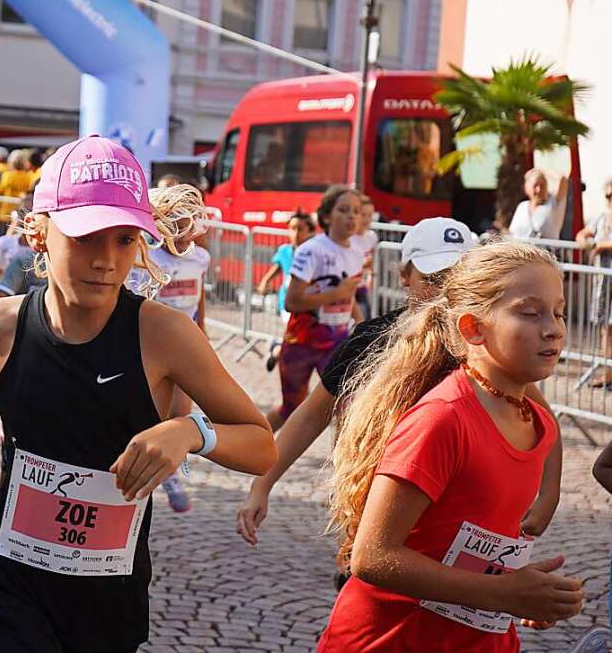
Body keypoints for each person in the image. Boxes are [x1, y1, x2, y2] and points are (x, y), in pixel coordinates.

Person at [0, 135, 276, 652]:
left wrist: (188, 432)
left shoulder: (163, 335)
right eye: (85, 237)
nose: (106, 261)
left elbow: (260, 444)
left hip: (109, 592)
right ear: (38, 231)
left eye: (123, 240)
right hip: (8, 581)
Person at [317, 239, 583, 651]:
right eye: (529, 313)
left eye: (559, 312)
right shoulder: (443, 419)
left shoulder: (538, 420)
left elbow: (467, 541)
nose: (553, 328)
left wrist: (523, 592)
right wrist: (502, 593)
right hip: (391, 639)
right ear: (473, 328)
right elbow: (371, 556)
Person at [238, 219, 565, 550]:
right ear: (404, 276)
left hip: (453, 514)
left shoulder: (480, 345)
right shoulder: (370, 340)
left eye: (456, 277)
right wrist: (262, 486)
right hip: (376, 505)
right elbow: (310, 416)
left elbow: (542, 417)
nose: (444, 290)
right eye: (433, 278)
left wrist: (548, 494)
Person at [126, 183, 210, 514]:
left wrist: (201, 332)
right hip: (154, 346)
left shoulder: (201, 257)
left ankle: (172, 472)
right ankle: (140, 465)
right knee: (150, 412)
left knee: (180, 413)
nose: (184, 232)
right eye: (176, 223)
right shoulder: (147, 259)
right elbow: (139, 304)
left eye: (189, 224)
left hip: (186, 345)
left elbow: (199, 297)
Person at [272, 186, 364, 430]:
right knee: (290, 409)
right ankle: (247, 446)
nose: (352, 217)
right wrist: (335, 293)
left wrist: (363, 325)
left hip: (337, 342)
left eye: (356, 211)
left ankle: (345, 466)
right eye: (344, 210)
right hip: (302, 342)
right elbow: (292, 301)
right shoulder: (311, 250)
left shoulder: (357, 252)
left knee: (346, 407)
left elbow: (349, 294)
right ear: (326, 216)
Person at [255, 210, 316, 371]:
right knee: (298, 338)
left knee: (301, 339)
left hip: (310, 304)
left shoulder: (314, 252)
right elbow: (277, 268)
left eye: (300, 229)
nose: (295, 233)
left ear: (310, 231)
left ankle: (277, 349)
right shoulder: (285, 251)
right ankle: (284, 358)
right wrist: (265, 281)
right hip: (288, 302)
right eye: (292, 228)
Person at [576, 178, 612, 388]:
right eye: (608, 196)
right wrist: (585, 240)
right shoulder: (600, 217)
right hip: (602, 280)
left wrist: (600, 245)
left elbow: (599, 243)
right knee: (604, 325)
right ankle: (608, 372)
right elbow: (583, 233)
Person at [509, 168, 569, 240]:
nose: (539, 190)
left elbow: (562, 179)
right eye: (535, 185)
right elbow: (512, 232)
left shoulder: (553, 204)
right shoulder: (522, 206)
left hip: (544, 250)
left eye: (542, 185)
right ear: (526, 188)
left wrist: (541, 170)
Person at [349, 195, 379, 321]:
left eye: (370, 215)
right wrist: (362, 265)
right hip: (347, 288)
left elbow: (373, 261)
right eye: (363, 214)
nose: (367, 219)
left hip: (362, 287)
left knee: (363, 322)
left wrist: (371, 275)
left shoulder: (371, 236)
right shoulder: (348, 238)